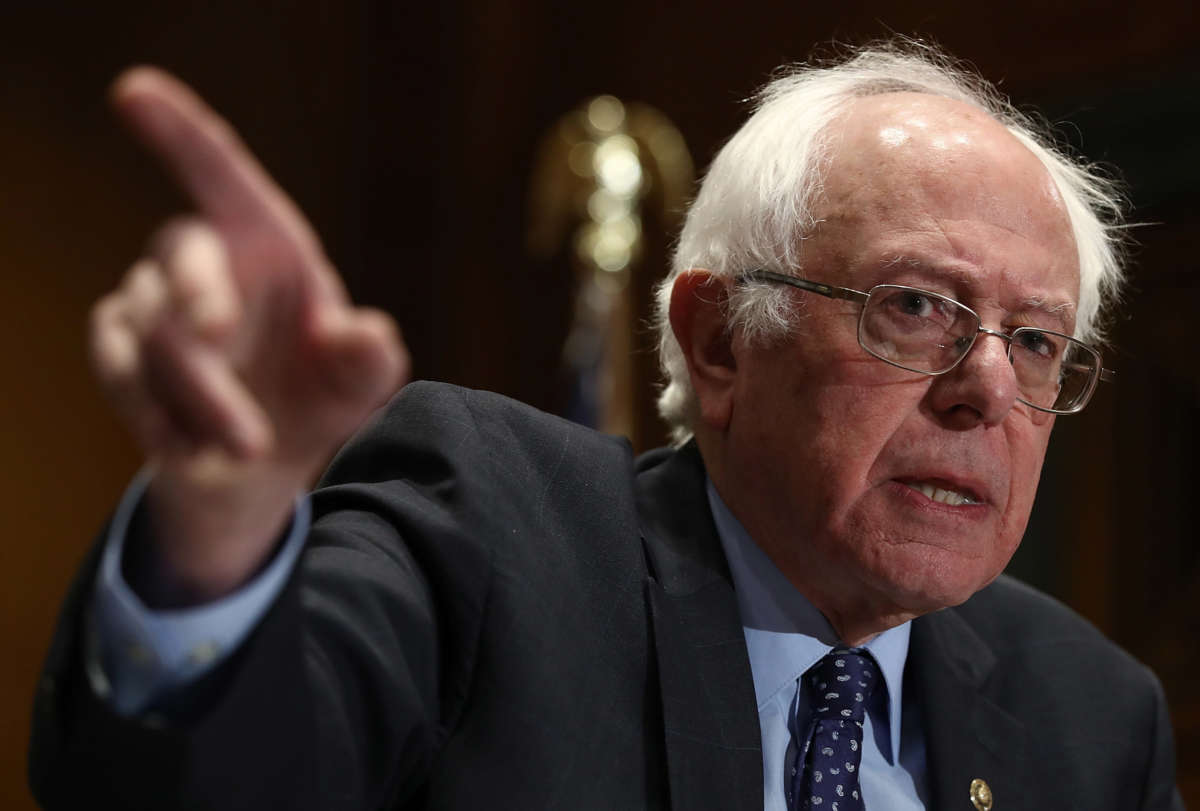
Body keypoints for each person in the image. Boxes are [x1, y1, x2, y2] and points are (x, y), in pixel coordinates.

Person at [30, 41, 1183, 810]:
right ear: (720, 339)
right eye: (917, 308)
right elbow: (201, 779)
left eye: (1035, 338)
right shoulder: (493, 530)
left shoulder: (1091, 718)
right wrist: (217, 538)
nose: (986, 385)